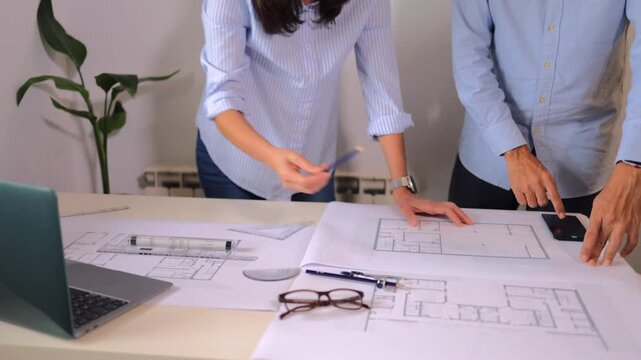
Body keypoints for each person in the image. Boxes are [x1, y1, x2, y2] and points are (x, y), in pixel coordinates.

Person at [195, 0, 473, 226]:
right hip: (236, 160)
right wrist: (272, 157)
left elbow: (382, 94)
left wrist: (401, 186)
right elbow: (222, 97)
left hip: (312, 157)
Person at [448, 0, 641, 266]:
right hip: (487, 151)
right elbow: (469, 59)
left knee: (575, 286)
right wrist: (512, 149)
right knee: (466, 270)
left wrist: (632, 168)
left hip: (581, 156)